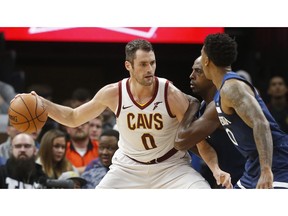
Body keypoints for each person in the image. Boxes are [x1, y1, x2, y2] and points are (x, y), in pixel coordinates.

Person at [23, 39, 231, 188]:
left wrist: (215, 169)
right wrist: (42, 103)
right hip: (128, 167)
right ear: (128, 66)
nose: (150, 69)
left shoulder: (169, 93)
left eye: (152, 63)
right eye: (143, 64)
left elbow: (200, 140)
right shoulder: (113, 93)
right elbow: (73, 117)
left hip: (170, 167)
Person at [176, 33, 288, 189]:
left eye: (202, 55)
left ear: (207, 60)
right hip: (253, 165)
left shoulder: (231, 87)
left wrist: (266, 170)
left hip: (278, 162)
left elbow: (260, 123)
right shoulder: (220, 92)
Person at [186, 56, 246, 188]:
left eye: (198, 71)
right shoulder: (203, 107)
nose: (191, 76)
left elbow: (182, 140)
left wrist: (186, 107)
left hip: (249, 177)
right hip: (228, 179)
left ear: (211, 74)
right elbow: (197, 144)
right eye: (192, 71)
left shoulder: (220, 104)